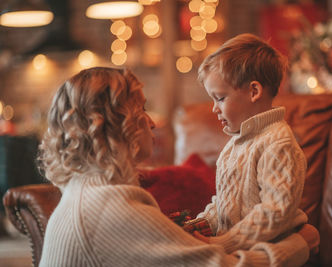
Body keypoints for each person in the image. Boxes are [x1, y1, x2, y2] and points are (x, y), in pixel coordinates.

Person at [38, 67, 317, 267]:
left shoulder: (83, 193)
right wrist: (300, 244)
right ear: (117, 126)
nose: (150, 123)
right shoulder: (112, 207)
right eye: (141, 110)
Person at [195, 33, 312, 256]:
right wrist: (197, 226)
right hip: (234, 249)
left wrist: (224, 243)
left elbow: (275, 213)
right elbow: (224, 204)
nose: (214, 108)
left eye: (220, 98)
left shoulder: (278, 143)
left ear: (254, 91)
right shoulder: (235, 143)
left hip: (274, 253)